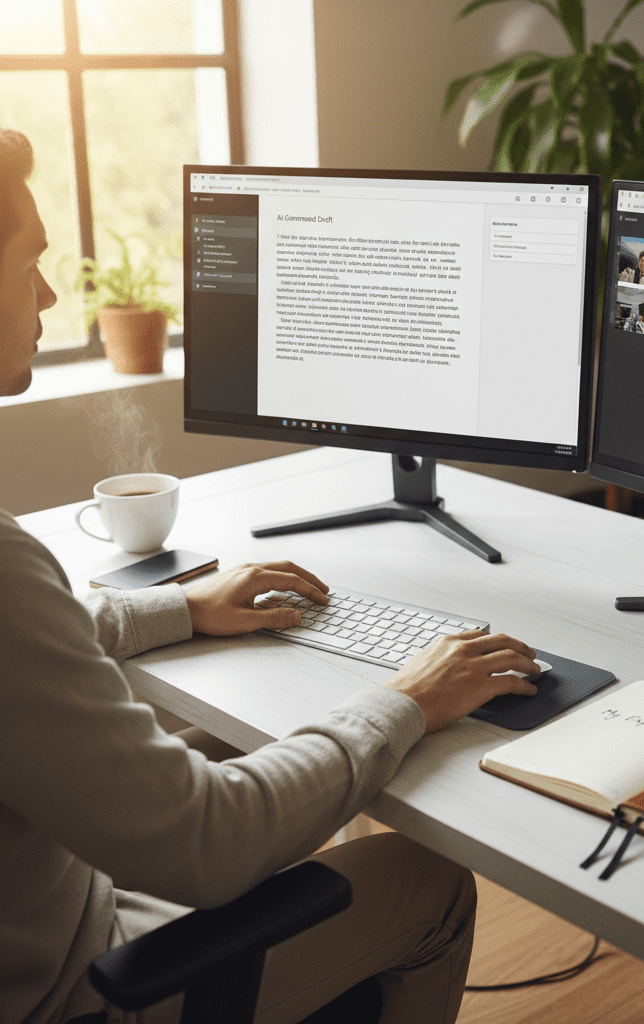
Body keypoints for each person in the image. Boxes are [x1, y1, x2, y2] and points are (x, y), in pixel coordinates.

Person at [0, 126, 543, 1024]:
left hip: (39, 916)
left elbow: (27, 652)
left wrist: (179, 606)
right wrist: (408, 696)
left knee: (258, 740)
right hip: (71, 989)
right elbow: (205, 845)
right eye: (27, 266)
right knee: (430, 879)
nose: (51, 293)